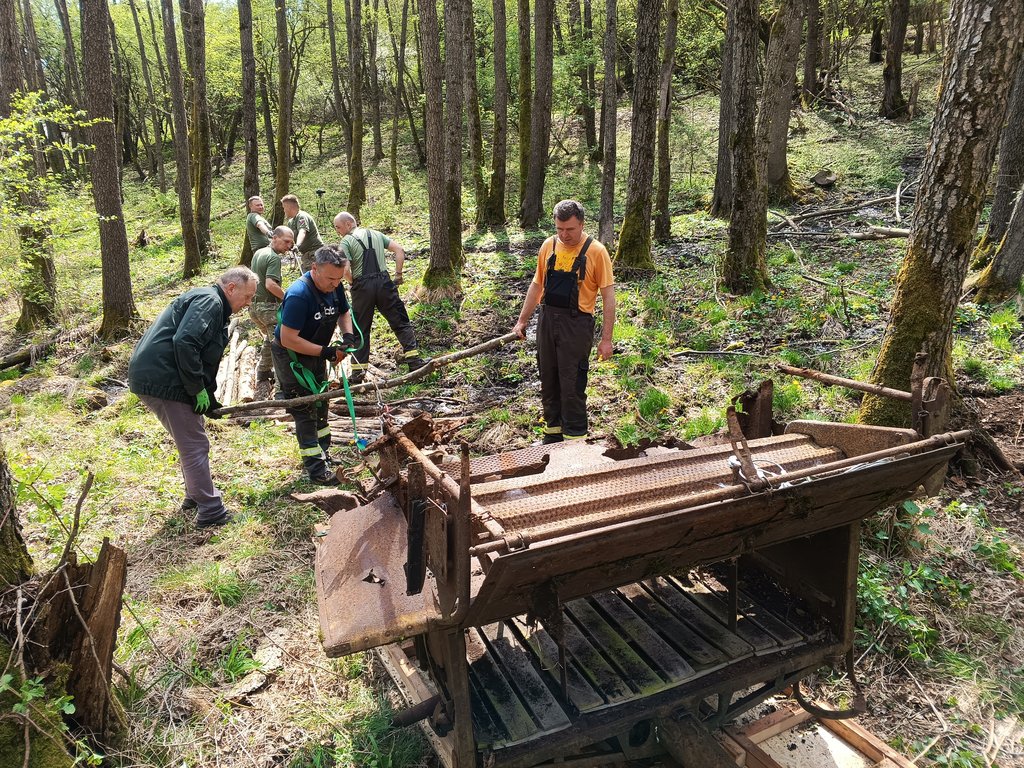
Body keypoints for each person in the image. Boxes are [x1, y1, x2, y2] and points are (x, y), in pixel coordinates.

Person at [128, 267, 258, 527]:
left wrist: (207, 395)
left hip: (159, 375)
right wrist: (196, 388)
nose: (248, 303)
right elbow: (186, 342)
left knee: (190, 438)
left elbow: (202, 354)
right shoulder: (209, 301)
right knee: (195, 444)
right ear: (231, 288)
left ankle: (193, 496)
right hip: (164, 377)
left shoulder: (211, 303)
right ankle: (211, 510)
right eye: (247, 296)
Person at [512, 200, 615, 443]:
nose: (564, 235)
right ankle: (552, 434)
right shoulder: (549, 246)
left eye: (569, 229)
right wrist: (522, 320)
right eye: (559, 229)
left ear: (581, 224)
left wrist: (606, 339)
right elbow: (537, 284)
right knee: (548, 380)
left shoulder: (596, 252)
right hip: (547, 321)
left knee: (572, 385)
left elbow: (608, 297)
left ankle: (575, 439)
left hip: (576, 326)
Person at [272, 246, 357, 485]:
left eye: (338, 279)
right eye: (330, 279)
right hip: (292, 356)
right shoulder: (299, 295)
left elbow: (343, 311)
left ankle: (323, 452)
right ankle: (315, 468)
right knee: (305, 407)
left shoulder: (336, 284)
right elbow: (289, 338)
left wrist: (347, 335)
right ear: (314, 269)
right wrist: (326, 351)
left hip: (317, 351)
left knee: (321, 402)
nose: (334, 284)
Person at [333, 211, 428, 383]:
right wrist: (398, 274)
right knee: (399, 321)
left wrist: (353, 282)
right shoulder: (377, 234)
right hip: (384, 283)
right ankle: (414, 361)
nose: (338, 231)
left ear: (348, 224)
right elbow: (399, 250)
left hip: (362, 286)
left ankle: (358, 373)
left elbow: (345, 269)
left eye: (338, 227)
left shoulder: (346, 241)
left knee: (361, 329)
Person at [250, 226, 294, 398]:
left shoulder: (260, 252)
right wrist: (288, 299)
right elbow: (270, 285)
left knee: (270, 341)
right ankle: (281, 389)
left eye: (291, 243)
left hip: (255, 308)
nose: (289, 246)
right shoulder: (273, 257)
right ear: (274, 238)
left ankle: (262, 372)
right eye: (286, 242)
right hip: (268, 308)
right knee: (280, 346)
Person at [281, 194, 325, 272]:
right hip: (306, 255)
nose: (283, 211)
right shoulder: (291, 222)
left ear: (289, 207)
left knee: (311, 277)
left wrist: (297, 245)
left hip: (314, 253)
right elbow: (290, 238)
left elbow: (302, 231)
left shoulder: (302, 216)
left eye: (284, 208)